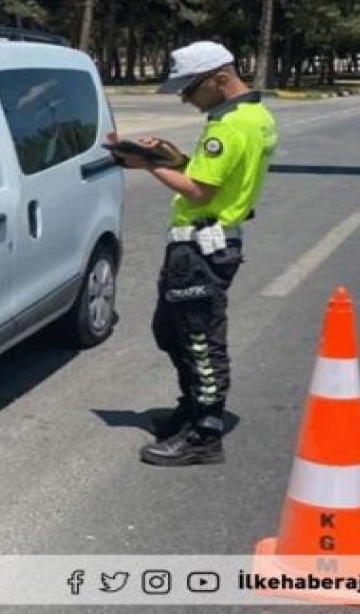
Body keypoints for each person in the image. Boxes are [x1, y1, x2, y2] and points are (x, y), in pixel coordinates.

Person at [113, 41, 277, 466]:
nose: (186, 99)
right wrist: (175, 157)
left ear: (220, 79)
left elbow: (200, 190)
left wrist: (146, 164)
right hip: (202, 244)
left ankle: (204, 433)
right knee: (170, 331)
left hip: (203, 248)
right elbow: (212, 175)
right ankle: (190, 408)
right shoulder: (253, 116)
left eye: (191, 89)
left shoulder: (229, 127)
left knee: (201, 341)